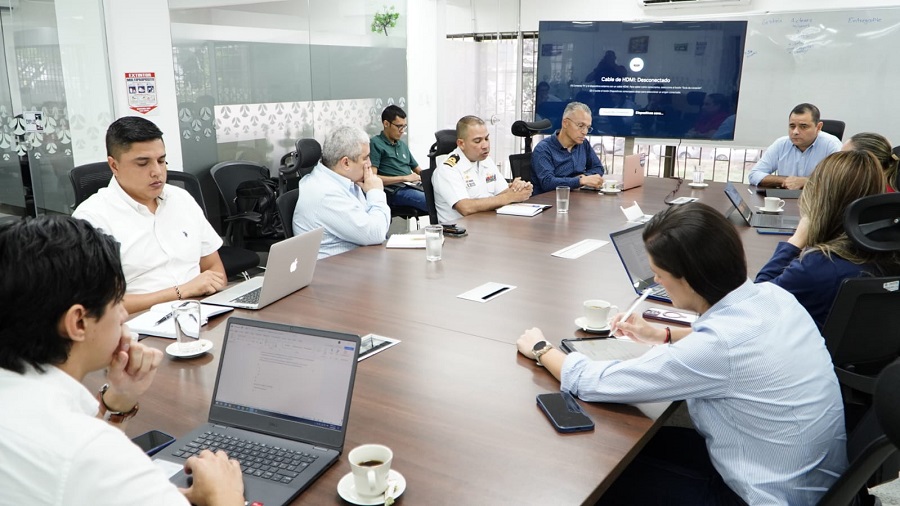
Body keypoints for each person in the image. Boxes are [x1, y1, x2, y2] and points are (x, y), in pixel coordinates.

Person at [516, 203, 846, 505]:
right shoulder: (774, 297)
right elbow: (738, 343)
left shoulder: (717, 347)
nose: (655, 281)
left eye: (659, 274)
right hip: (810, 481)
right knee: (644, 442)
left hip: (759, 496)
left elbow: (592, 381)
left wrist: (541, 349)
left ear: (689, 278)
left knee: (597, 472)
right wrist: (665, 334)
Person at [0, 216, 244, 506]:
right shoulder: (92, 453)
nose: (124, 316)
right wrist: (225, 496)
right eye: (117, 302)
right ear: (78, 322)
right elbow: (89, 465)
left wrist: (119, 402)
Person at [73, 116, 226, 314]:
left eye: (162, 161)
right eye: (143, 163)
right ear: (114, 166)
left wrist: (204, 292)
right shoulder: (92, 219)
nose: (157, 172)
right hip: (140, 328)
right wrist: (182, 292)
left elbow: (214, 268)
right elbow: (101, 304)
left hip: (203, 311)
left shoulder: (181, 198)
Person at [755, 151, 900, 330]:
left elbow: (755, 305)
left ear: (820, 199)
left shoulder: (821, 265)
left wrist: (795, 241)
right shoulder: (891, 256)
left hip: (814, 356)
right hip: (883, 357)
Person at [292, 125, 390, 258]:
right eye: (365, 158)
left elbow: (375, 225)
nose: (369, 163)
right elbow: (376, 233)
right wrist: (376, 192)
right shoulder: (326, 193)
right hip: (334, 272)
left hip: (357, 260)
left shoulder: (344, 179)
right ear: (346, 163)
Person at [432, 115, 533, 224]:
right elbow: (465, 207)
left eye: (486, 138)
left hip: (487, 225)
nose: (485, 145)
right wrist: (509, 197)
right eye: (477, 141)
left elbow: (502, 192)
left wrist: (518, 189)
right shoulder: (448, 169)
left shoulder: (485, 160)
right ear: (461, 144)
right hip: (460, 234)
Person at [747, 103, 842, 189]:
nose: (795, 132)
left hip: (819, 203)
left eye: (803, 126)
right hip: (785, 202)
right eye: (792, 126)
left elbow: (840, 181)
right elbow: (754, 175)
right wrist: (785, 181)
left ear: (818, 127)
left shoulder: (831, 145)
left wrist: (807, 182)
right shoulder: (781, 144)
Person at [531, 102, 605, 194]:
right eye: (580, 126)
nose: (585, 132)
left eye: (588, 127)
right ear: (565, 123)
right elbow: (547, 182)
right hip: (549, 200)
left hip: (574, 198)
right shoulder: (543, 148)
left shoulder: (583, 144)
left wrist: (584, 177)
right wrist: (580, 181)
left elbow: (598, 168)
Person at [370, 105, 427, 213]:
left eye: (404, 127)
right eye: (399, 126)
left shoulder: (402, 145)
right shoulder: (375, 143)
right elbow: (373, 179)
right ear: (386, 124)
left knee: (444, 197)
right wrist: (404, 178)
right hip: (394, 190)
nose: (402, 131)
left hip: (413, 186)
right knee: (430, 202)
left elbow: (419, 170)